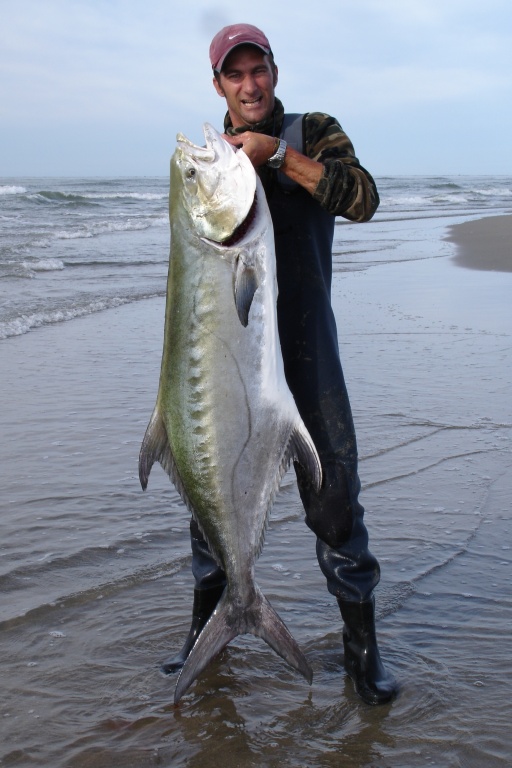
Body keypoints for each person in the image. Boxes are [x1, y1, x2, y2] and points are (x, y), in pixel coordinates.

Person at [161, 23, 398, 705]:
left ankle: (362, 657)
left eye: (256, 69)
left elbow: (363, 199)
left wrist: (277, 158)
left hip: (307, 350)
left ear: (272, 70)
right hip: (235, 362)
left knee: (335, 506)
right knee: (213, 508)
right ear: (218, 87)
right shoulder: (215, 165)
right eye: (234, 76)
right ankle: (204, 636)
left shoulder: (313, 131)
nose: (249, 85)